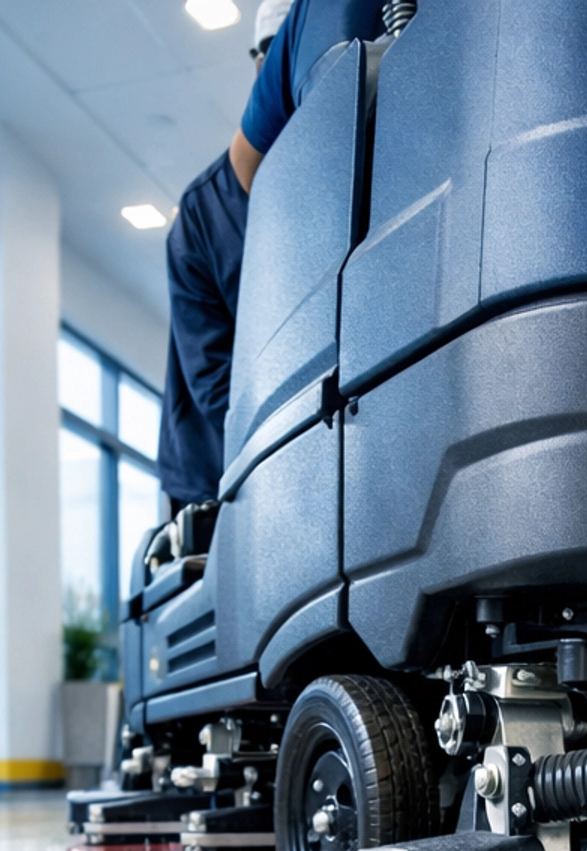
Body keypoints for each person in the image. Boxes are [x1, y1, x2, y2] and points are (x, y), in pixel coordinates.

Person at [157, 0, 387, 511]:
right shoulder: (203, 214)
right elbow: (215, 384)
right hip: (209, 474)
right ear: (266, 66)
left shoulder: (331, 186)